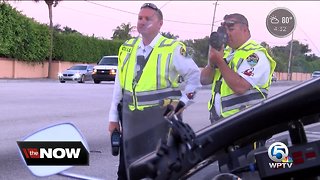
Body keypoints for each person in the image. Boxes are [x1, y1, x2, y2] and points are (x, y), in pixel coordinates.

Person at [108, 3, 201, 180]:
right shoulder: (127, 48)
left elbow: (194, 78)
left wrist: (181, 103)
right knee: (126, 172)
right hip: (130, 119)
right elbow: (119, 85)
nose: (142, 22)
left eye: (148, 19)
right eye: (140, 18)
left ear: (160, 24)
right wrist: (113, 117)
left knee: (156, 172)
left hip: (159, 121)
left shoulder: (173, 48)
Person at [200, 13, 276, 123]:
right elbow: (204, 80)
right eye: (224, 30)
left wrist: (220, 62)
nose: (226, 34)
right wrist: (212, 63)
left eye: (230, 29)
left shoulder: (255, 54)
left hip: (245, 122)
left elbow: (240, 87)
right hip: (221, 121)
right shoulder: (225, 53)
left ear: (244, 30)